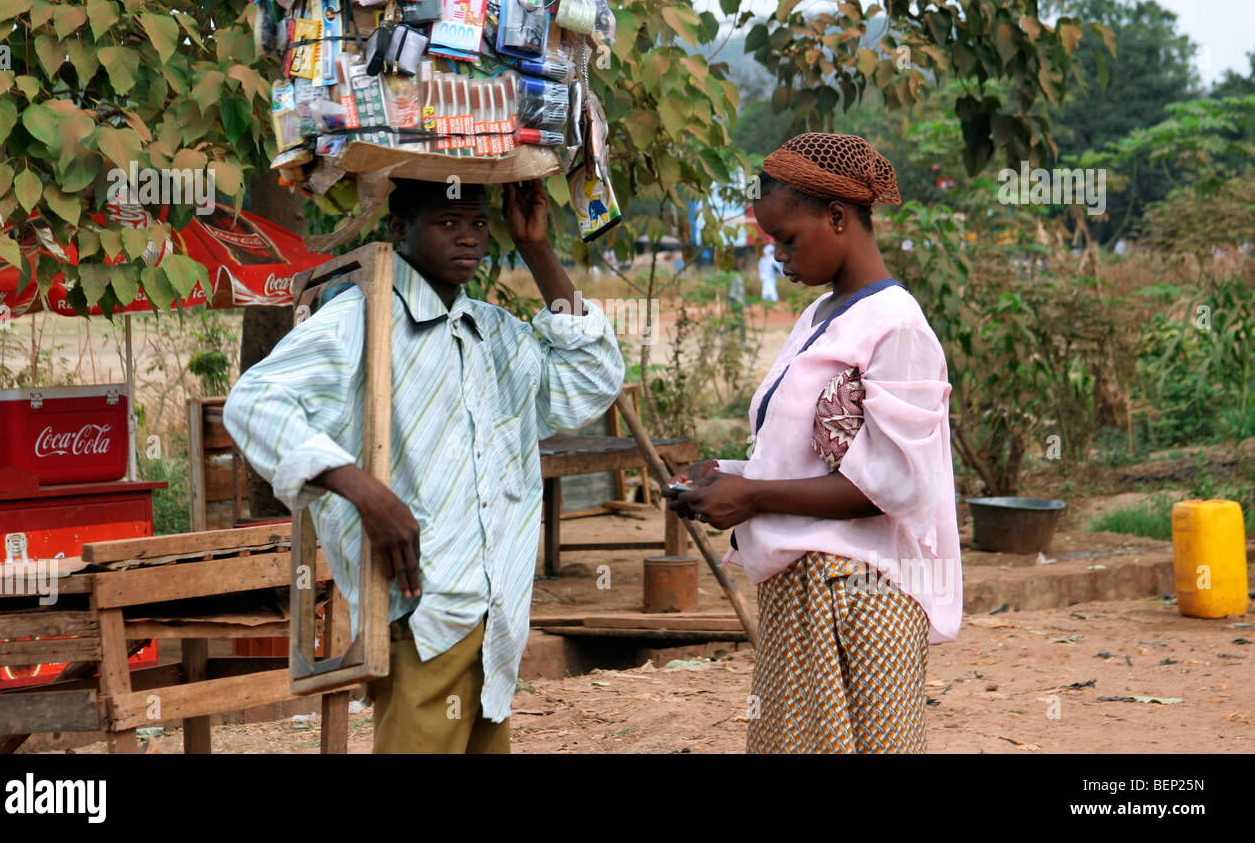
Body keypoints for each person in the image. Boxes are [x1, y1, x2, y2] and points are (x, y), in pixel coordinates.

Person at [224, 178, 624, 753]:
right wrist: (365, 492)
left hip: (497, 617)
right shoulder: (358, 321)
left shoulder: (494, 334)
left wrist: (535, 247)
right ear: (398, 229)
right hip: (422, 611)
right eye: (446, 223)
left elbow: (590, 378)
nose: (468, 238)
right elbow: (256, 402)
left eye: (479, 225)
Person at [668, 133, 961, 754]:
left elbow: (896, 485)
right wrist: (730, 473)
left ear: (837, 217)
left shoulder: (898, 328)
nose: (777, 255)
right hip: (803, 588)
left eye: (787, 239)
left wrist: (753, 496)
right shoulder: (823, 313)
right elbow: (814, 453)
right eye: (771, 241)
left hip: (861, 598)